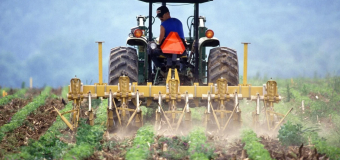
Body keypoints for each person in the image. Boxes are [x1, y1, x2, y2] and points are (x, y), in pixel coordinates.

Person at [150, 6, 185, 70]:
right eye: (159, 17)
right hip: (181, 48)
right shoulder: (179, 22)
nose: (160, 18)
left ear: (167, 14)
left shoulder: (163, 24)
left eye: (161, 16)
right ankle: (184, 68)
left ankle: (160, 67)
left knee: (150, 50)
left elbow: (160, 39)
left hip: (167, 50)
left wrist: (158, 45)